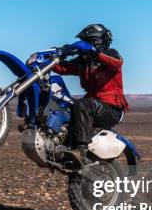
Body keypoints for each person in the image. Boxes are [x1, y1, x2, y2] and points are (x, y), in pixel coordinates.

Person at [53, 23, 129, 165]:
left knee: (83, 104)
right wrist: (50, 58)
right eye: (85, 41)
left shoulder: (111, 54)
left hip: (112, 108)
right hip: (92, 105)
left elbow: (116, 63)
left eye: (90, 40)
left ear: (100, 41)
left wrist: (95, 53)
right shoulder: (84, 63)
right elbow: (63, 68)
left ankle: (79, 150)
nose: (86, 43)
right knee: (67, 106)